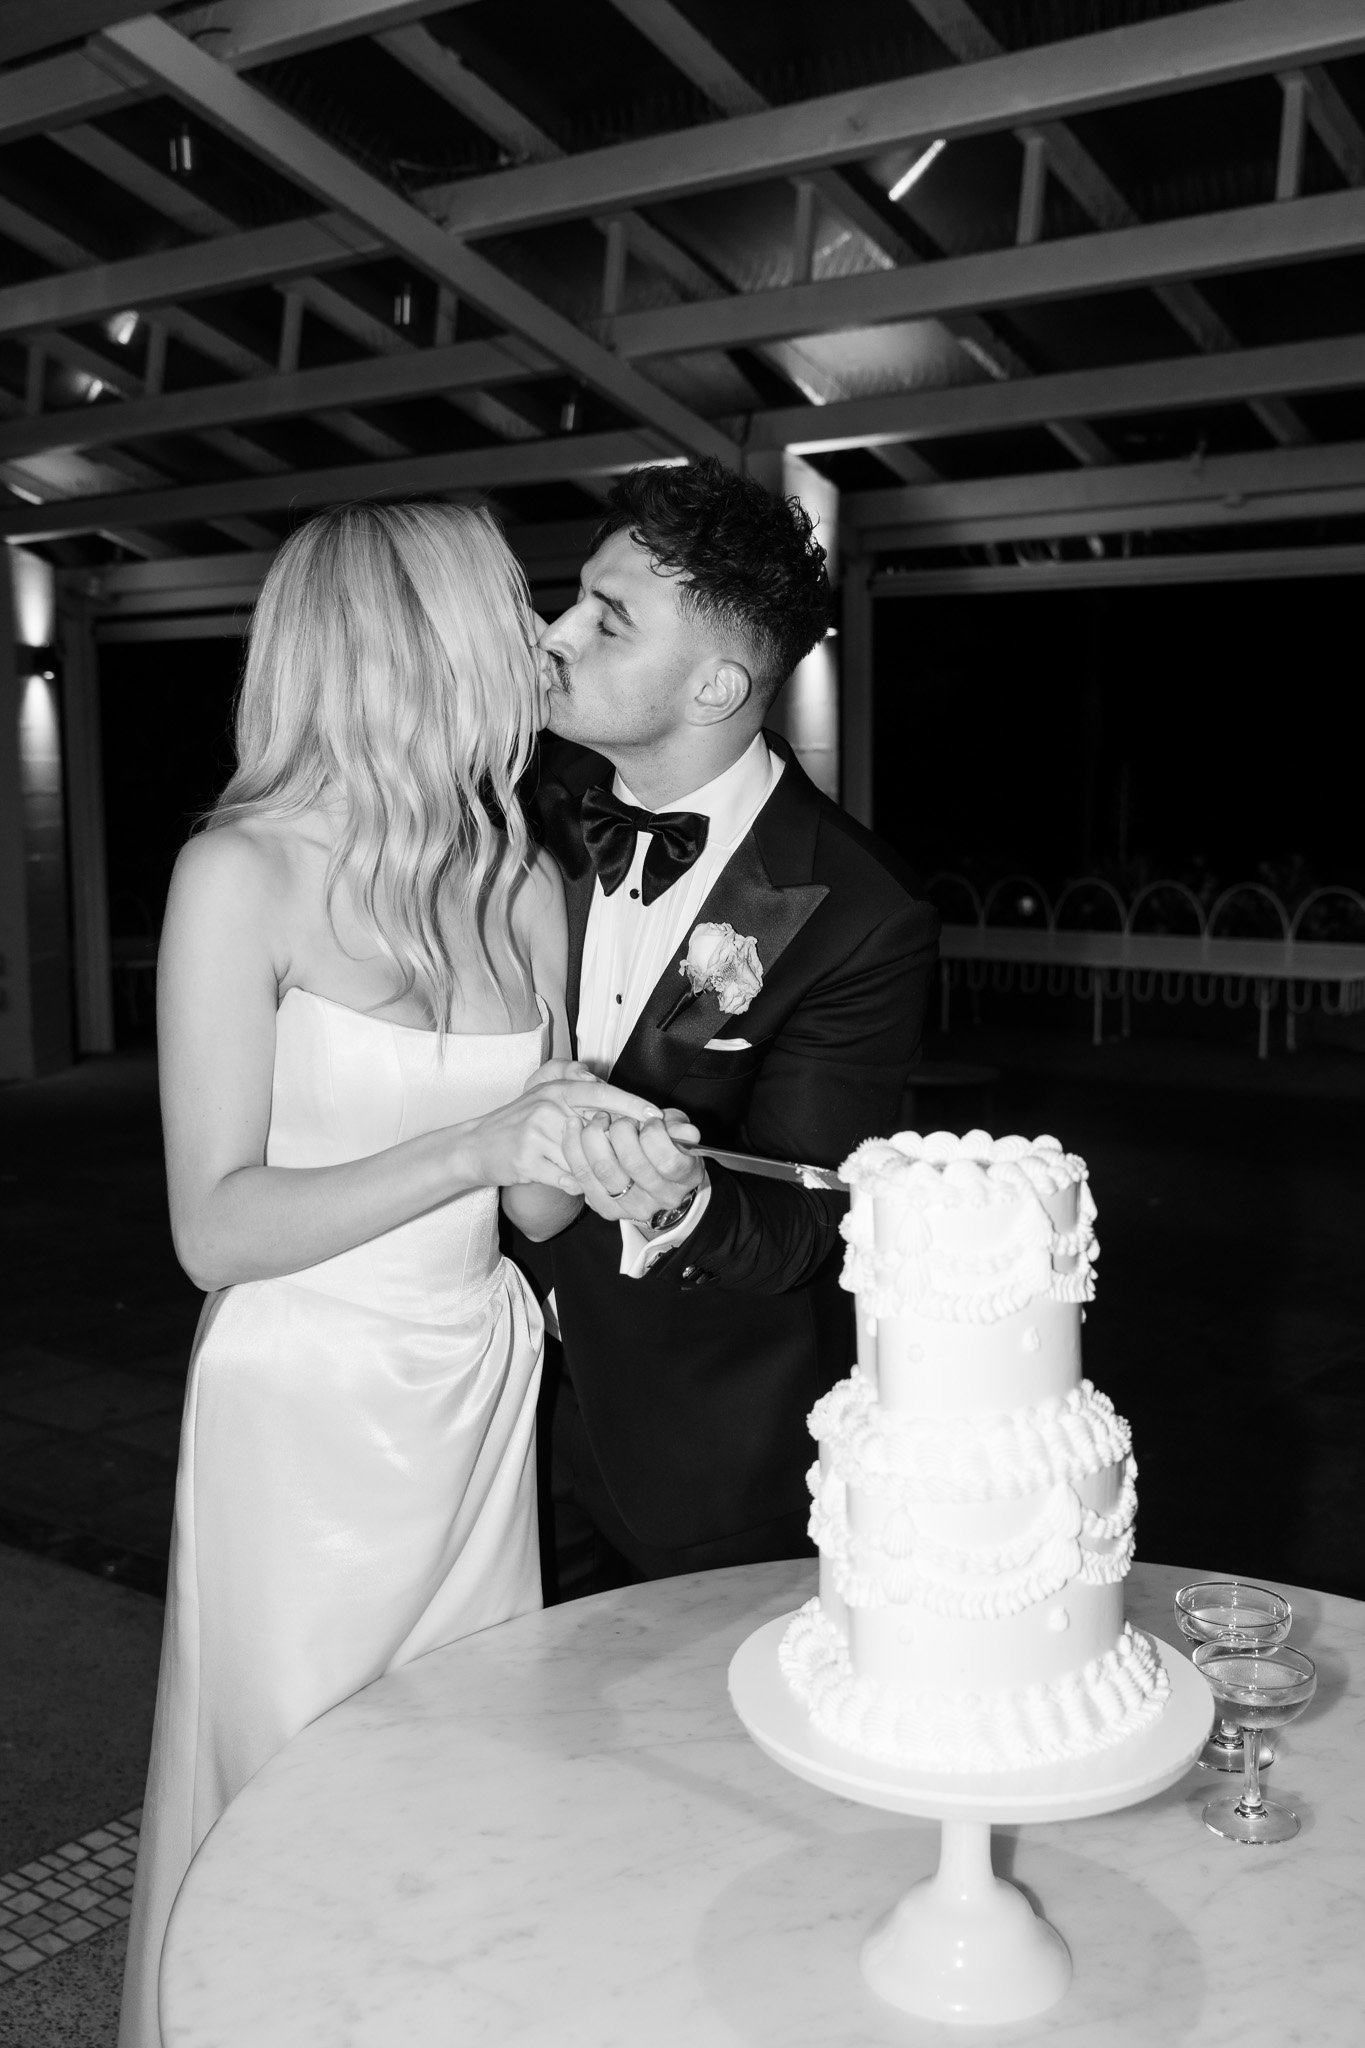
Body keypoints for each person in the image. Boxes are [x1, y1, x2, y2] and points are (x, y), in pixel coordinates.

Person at [119, 502, 687, 2048]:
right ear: (415, 642)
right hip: (302, 1410)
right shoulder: (238, 876)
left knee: (460, 1796)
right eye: (509, 609)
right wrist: (480, 1141)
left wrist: (607, 1154)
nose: (536, 639)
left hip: (477, 1383)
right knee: (297, 1809)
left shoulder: (521, 879)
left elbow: (532, 1216)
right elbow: (215, 1232)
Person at [526, 458, 940, 1600]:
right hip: (482, 1406)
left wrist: (676, 1194)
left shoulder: (858, 909)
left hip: (699, 1460)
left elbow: (808, 1222)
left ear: (714, 687)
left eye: (607, 620)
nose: (555, 632)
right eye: (575, 597)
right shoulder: (521, 814)